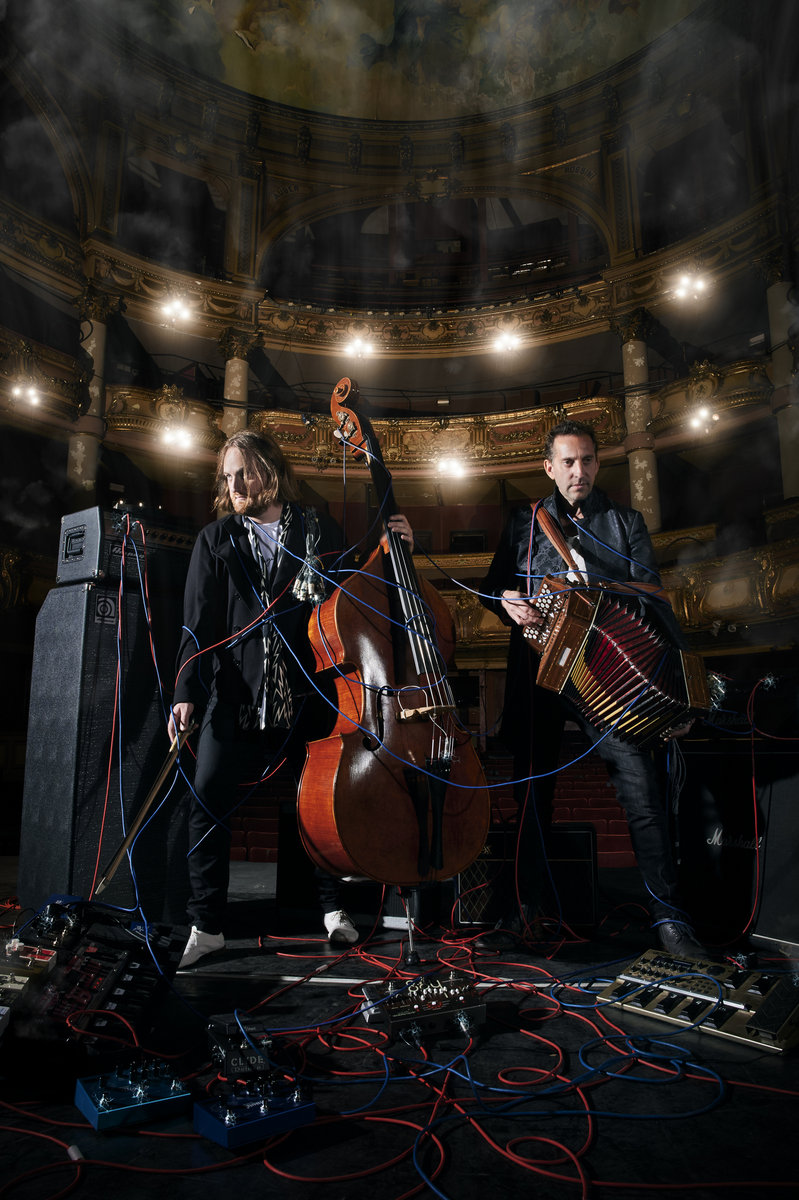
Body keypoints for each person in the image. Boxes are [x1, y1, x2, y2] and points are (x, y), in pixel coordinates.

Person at [168, 429, 413, 968]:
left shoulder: (316, 529)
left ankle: (332, 909)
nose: (234, 485)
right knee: (206, 797)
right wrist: (185, 692)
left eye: (244, 473)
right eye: (227, 477)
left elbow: (354, 590)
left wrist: (390, 550)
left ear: (270, 471)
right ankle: (206, 924)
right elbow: (196, 623)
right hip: (236, 692)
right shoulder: (215, 538)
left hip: (308, 693)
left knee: (322, 802)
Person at [478, 419, 705, 958]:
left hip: (607, 676)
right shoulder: (523, 522)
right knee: (532, 796)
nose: (578, 471)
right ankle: (525, 908)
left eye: (586, 461)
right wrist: (508, 602)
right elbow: (491, 588)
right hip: (540, 673)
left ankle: (669, 918)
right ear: (549, 468)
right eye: (568, 462)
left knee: (642, 792)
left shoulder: (625, 522)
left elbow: (652, 596)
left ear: (598, 464)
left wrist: (682, 686)